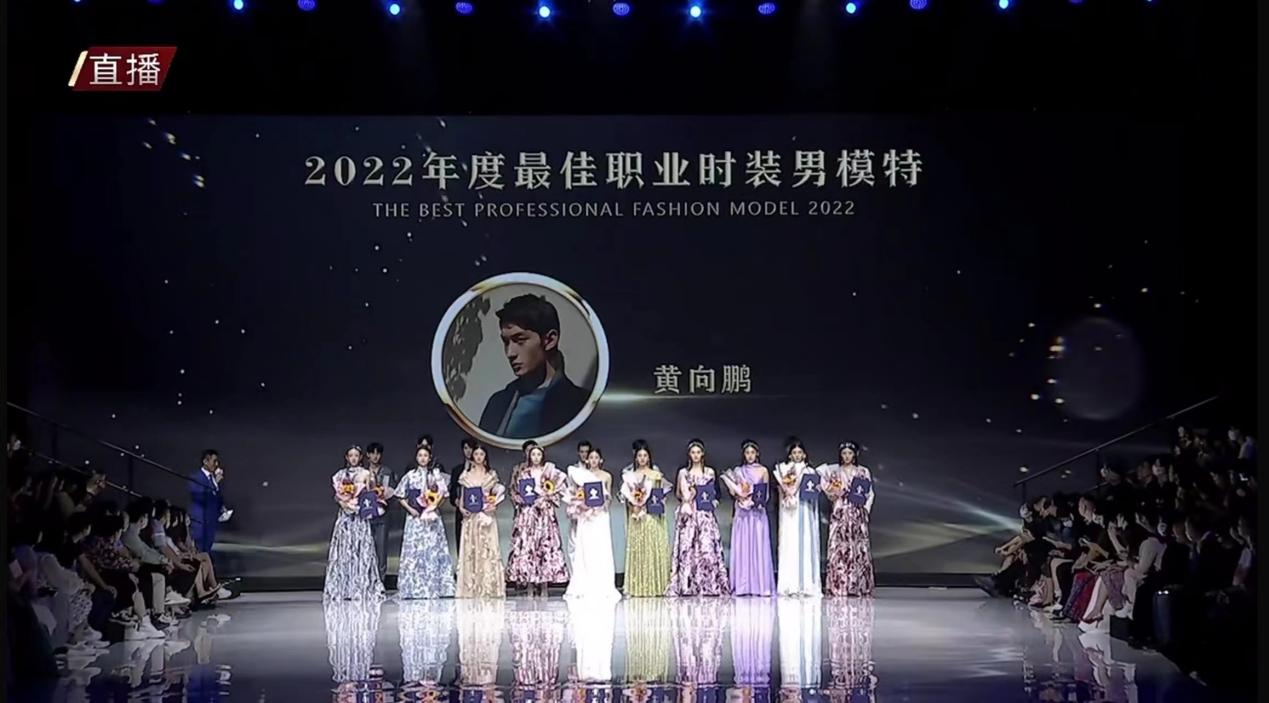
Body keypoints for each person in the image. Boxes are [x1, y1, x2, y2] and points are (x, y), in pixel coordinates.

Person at [477, 294, 590, 439]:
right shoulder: (497, 402)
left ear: (550, 340)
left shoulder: (580, 405)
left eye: (520, 340)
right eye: (506, 342)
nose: (510, 353)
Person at [665, 439, 730, 597]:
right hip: (689, 514)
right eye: (693, 452)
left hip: (705, 515)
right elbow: (678, 494)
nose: (695, 455)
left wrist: (711, 502)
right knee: (687, 549)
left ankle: (709, 584)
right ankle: (688, 585)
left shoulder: (709, 472)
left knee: (707, 549)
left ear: (702, 454)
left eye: (698, 452)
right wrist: (688, 497)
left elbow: (715, 493)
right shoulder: (683, 473)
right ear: (689, 454)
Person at [506, 441, 570, 596]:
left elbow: (557, 492)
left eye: (538, 454)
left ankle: (544, 584)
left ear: (542, 456)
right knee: (529, 547)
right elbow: (517, 493)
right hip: (528, 515)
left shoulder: (548, 472)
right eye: (533, 454)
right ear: (529, 456)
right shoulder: (524, 473)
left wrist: (547, 498)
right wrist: (522, 501)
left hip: (544, 515)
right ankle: (529, 584)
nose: (535, 457)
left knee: (545, 546)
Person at [323, 445, 385, 602]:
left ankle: (361, 586)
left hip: (359, 517)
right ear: (347, 457)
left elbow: (371, 494)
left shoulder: (365, 473)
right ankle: (344, 587)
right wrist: (343, 503)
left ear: (361, 457)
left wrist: (363, 504)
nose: (353, 458)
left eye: (356, 455)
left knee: (360, 550)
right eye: (351, 455)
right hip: (345, 518)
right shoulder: (340, 475)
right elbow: (336, 496)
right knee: (344, 552)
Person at [395, 445, 456, 599]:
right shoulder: (410, 476)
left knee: (433, 550)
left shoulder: (435, 475)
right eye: (420, 455)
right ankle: (413, 587)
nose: (423, 458)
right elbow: (400, 495)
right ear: (416, 458)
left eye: (425, 455)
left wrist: (434, 507)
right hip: (415, 520)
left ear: (429, 458)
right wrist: (410, 509)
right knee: (415, 552)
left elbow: (444, 495)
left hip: (432, 519)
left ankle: (435, 587)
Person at [562, 446, 619, 600]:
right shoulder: (581, 475)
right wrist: (579, 503)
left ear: (601, 460)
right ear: (587, 460)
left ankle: (602, 584)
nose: (593, 460)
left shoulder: (606, 476)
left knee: (600, 548)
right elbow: (576, 494)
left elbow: (609, 497)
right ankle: (584, 583)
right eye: (591, 458)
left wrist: (603, 504)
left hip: (600, 516)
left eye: (596, 458)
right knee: (585, 548)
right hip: (585, 517)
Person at [819, 442, 875, 597]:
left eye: (850, 453)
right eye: (844, 453)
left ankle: (858, 586)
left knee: (858, 549)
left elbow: (869, 493)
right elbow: (827, 489)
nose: (847, 456)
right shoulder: (834, 471)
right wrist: (833, 492)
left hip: (857, 512)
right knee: (839, 548)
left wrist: (865, 509)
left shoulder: (863, 471)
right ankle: (839, 585)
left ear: (854, 454)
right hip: (840, 512)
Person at [722, 440, 775, 597]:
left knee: (758, 546)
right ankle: (743, 586)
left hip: (757, 512)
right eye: (747, 453)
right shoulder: (739, 471)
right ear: (744, 455)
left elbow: (765, 494)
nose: (750, 456)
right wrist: (739, 495)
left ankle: (760, 585)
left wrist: (754, 500)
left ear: (757, 454)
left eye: (752, 452)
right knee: (743, 546)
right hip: (742, 512)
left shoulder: (763, 470)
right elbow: (734, 492)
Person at [620, 439, 671, 597]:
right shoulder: (630, 476)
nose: (642, 458)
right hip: (636, 516)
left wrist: (658, 502)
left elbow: (660, 495)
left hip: (652, 517)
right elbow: (625, 497)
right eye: (639, 456)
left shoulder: (656, 475)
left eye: (645, 455)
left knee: (652, 549)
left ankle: (655, 585)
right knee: (639, 550)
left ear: (649, 458)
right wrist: (634, 505)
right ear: (636, 458)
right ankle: (638, 586)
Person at [455, 444, 507, 598]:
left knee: (487, 550)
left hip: (486, 518)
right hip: (471, 518)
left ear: (485, 457)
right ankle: (470, 587)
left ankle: (488, 587)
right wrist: (462, 509)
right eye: (476, 454)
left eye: (481, 454)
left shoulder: (491, 475)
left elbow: (495, 495)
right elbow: (463, 496)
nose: (478, 457)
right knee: (471, 550)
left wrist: (493, 506)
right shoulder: (466, 475)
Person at [774, 437, 821, 597]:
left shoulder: (810, 472)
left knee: (805, 543)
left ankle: (806, 584)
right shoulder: (783, 469)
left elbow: (813, 493)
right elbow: (780, 490)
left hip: (805, 511)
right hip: (789, 512)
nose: (797, 455)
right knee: (790, 543)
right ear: (790, 454)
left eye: (800, 452)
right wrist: (787, 494)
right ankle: (790, 584)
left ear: (804, 454)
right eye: (794, 452)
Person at [364, 442, 396, 584]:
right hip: (366, 515)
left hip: (383, 515)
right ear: (368, 455)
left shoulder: (387, 471)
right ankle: (367, 580)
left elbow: (393, 491)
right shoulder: (363, 472)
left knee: (381, 549)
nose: (375, 456)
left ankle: (380, 582)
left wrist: (384, 496)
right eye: (372, 453)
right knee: (366, 548)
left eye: (378, 453)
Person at [187, 450, 226, 557]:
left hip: (211, 522)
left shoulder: (212, 479)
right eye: (214, 461)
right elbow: (199, 496)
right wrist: (215, 483)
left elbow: (216, 498)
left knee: (207, 550)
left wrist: (221, 508)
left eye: (217, 461)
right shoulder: (196, 477)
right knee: (199, 550)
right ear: (205, 461)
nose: (216, 464)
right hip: (200, 521)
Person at [448, 437, 478, 548]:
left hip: (478, 511)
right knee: (461, 542)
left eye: (471, 448)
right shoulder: (457, 470)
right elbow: (452, 492)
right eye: (465, 448)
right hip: (461, 512)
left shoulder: (482, 470)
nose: (468, 451)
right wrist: (458, 502)